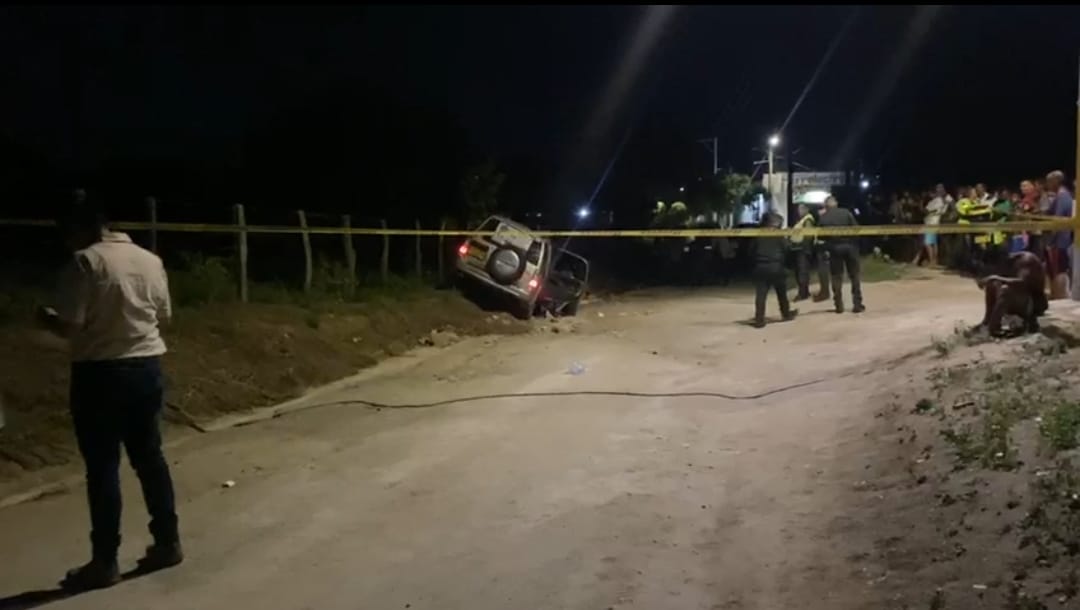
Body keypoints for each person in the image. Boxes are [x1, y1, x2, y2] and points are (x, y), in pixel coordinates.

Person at [38, 203, 183, 591]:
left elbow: (71, 325)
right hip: (147, 366)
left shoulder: (85, 263)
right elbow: (163, 314)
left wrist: (45, 318)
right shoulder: (150, 259)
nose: (66, 240)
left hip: (100, 373)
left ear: (84, 229)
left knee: (103, 468)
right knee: (150, 458)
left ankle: (105, 561)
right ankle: (168, 542)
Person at [750, 212, 797, 328]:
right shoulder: (779, 235)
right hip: (776, 266)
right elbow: (787, 249)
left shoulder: (758, 235)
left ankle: (759, 319)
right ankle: (786, 314)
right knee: (781, 293)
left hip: (761, 266)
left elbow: (751, 251)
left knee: (761, 295)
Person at [818, 195, 864, 313]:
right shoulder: (846, 212)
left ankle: (838, 305)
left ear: (826, 206)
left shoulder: (823, 218)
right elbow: (856, 228)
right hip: (850, 246)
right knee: (854, 276)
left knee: (836, 276)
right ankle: (857, 304)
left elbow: (820, 236)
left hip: (834, 248)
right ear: (836, 203)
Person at [1045, 170, 1074, 299]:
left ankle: (1059, 296)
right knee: (1056, 269)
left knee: (1059, 270)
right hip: (1060, 240)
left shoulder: (1063, 196)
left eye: (1049, 181)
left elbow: (1057, 219)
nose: (1048, 184)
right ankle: (1057, 294)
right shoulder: (1060, 196)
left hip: (1060, 241)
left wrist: (1051, 240)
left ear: (1057, 181)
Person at [789, 204, 827, 301]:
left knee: (802, 272)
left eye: (801, 209)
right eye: (798, 209)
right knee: (800, 272)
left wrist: (805, 248)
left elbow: (808, 236)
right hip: (798, 249)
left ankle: (803, 293)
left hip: (803, 249)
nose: (799, 211)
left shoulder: (808, 220)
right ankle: (803, 292)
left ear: (806, 210)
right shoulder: (802, 220)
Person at [913, 184, 950, 267]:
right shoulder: (939, 200)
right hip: (934, 222)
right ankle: (934, 261)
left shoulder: (936, 201)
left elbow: (925, 211)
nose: (929, 195)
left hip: (931, 223)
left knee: (927, 243)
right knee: (933, 243)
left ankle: (932, 261)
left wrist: (921, 203)